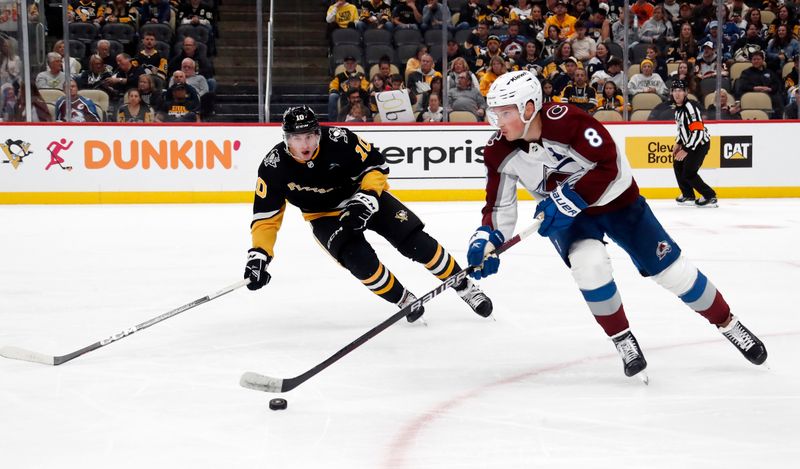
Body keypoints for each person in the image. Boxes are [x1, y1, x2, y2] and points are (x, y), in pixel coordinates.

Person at [466, 70, 767, 381]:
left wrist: (565, 199)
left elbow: (608, 165)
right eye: (494, 113)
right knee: (589, 266)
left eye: (504, 113)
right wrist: (486, 240)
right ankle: (623, 339)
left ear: (529, 108)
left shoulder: (569, 120)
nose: (497, 121)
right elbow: (498, 207)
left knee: (673, 272)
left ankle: (729, 323)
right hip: (570, 218)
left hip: (617, 201)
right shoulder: (497, 151)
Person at [244, 106, 493, 323]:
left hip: (364, 197)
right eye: (298, 139)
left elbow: (376, 166)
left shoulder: (339, 139)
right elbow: (266, 217)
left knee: (417, 243)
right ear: (287, 139)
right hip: (323, 216)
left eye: (310, 136)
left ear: (318, 133)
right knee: (360, 262)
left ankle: (465, 286)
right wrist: (259, 255)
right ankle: (404, 299)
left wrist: (369, 196)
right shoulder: (273, 166)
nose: (306, 144)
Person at [671, 79, 717, 207]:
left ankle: (709, 196)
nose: (677, 93)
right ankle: (688, 195)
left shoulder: (690, 108)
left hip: (700, 144)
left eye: (680, 90)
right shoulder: (678, 109)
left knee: (689, 172)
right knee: (678, 165)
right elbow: (682, 129)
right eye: (675, 90)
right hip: (689, 144)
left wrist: (686, 149)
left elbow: (698, 131)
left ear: (685, 92)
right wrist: (678, 142)